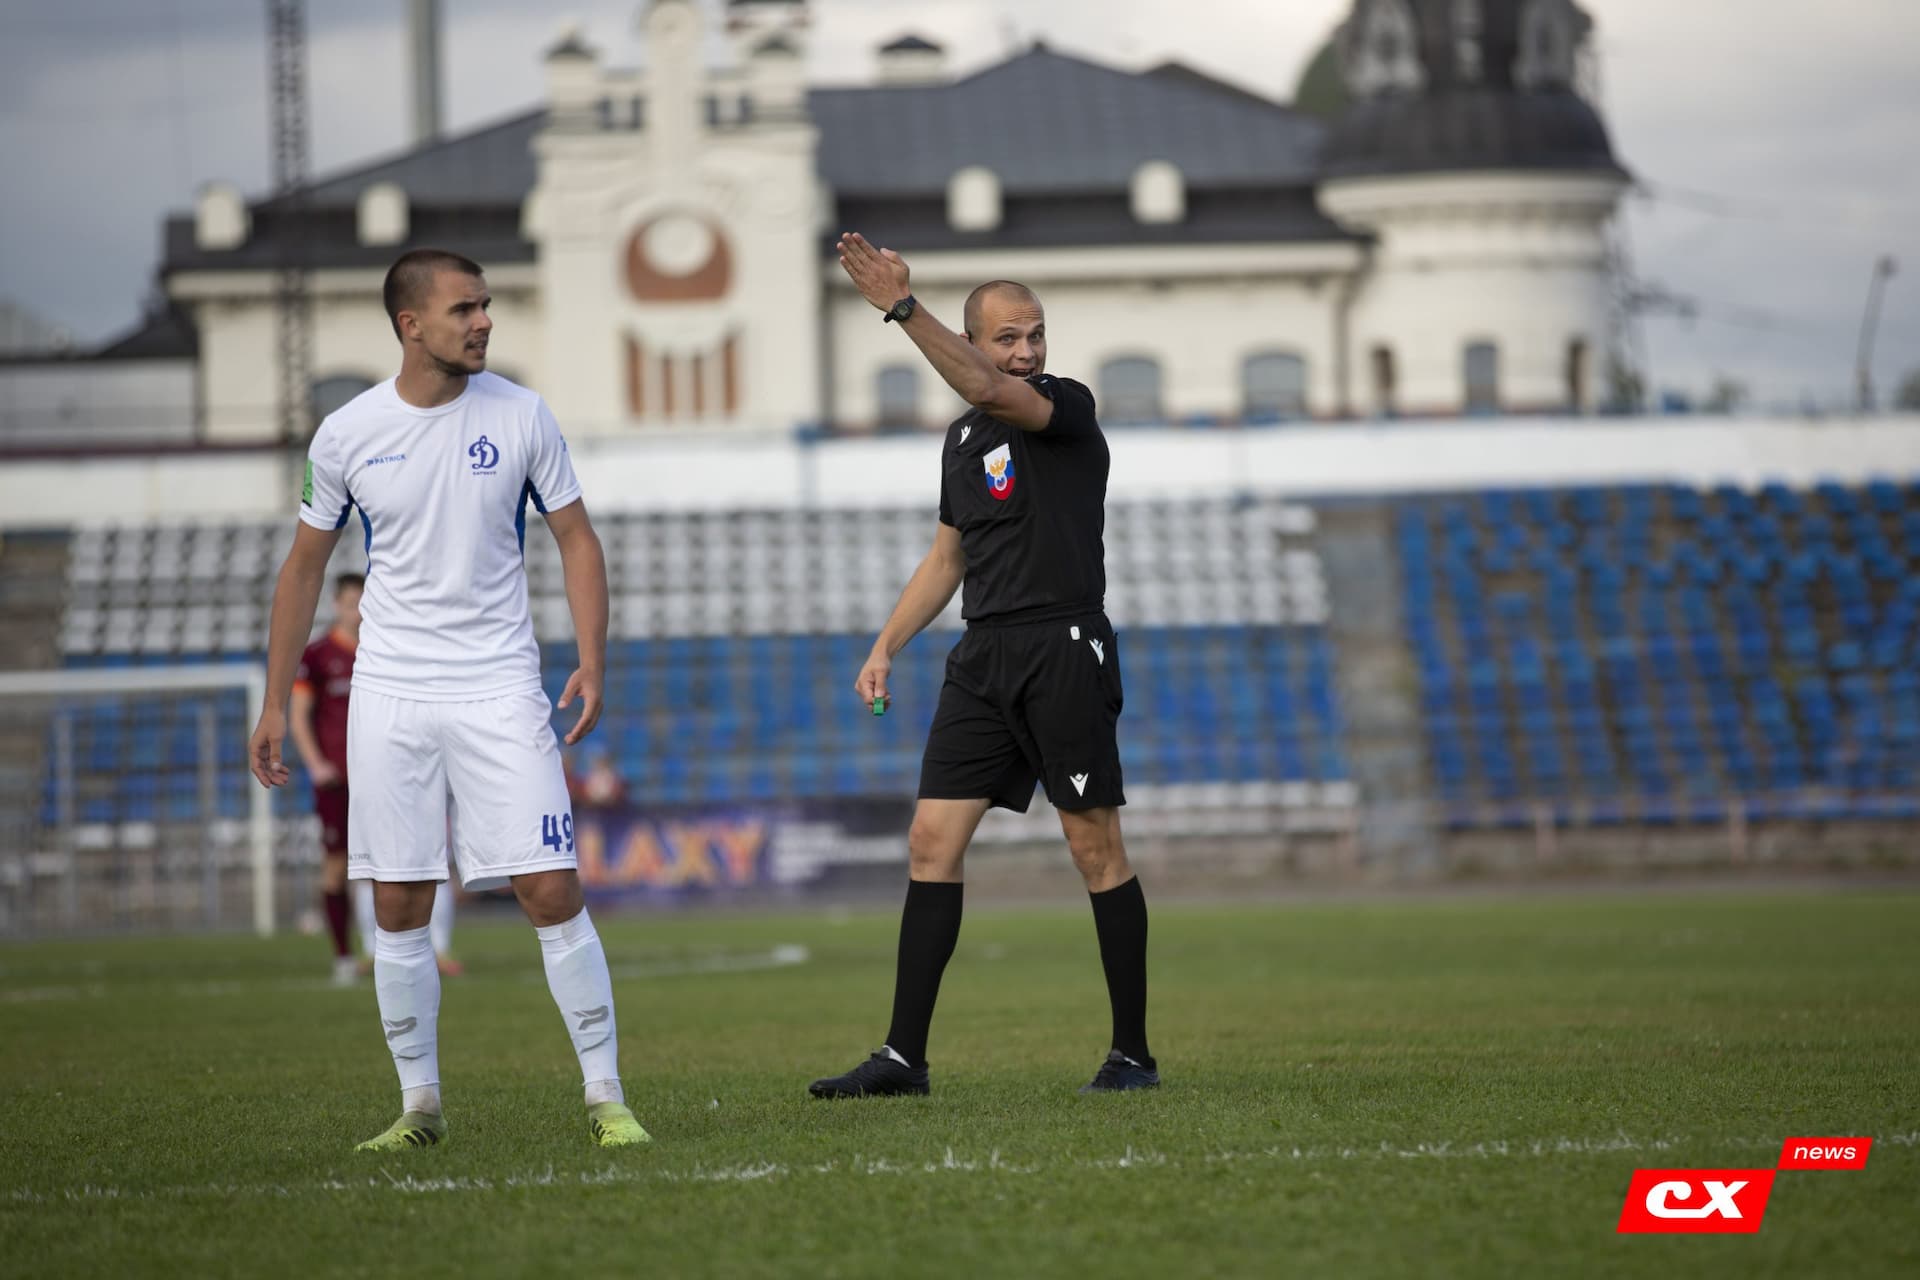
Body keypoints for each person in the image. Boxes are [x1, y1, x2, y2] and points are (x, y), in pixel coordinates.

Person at [248, 247, 649, 1151]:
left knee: (550, 887)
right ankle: (418, 1107)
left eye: (486, 305)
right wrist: (274, 700)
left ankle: (606, 1097)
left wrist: (591, 659)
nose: (484, 322)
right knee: (398, 903)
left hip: (499, 685)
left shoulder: (521, 413)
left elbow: (577, 538)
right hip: (390, 693)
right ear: (411, 324)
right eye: (465, 308)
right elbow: (304, 567)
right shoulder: (346, 432)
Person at [808, 234, 1157, 1099]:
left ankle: (1132, 1056)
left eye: (1035, 334)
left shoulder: (1065, 406)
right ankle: (903, 1059)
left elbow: (989, 388)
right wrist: (885, 645)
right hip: (983, 657)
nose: (1027, 351)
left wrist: (901, 308)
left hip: (1063, 645)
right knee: (930, 841)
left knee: (1093, 847)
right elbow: (946, 560)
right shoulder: (964, 439)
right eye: (1007, 338)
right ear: (973, 340)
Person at [289, 572, 461, 985]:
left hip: (394, 775)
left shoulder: (391, 651)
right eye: (352, 603)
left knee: (417, 858)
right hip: (340, 779)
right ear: (337, 604)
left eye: (365, 603)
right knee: (342, 866)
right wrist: (316, 764)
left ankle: (430, 949)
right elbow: (299, 716)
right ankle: (349, 955)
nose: (359, 612)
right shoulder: (317, 656)